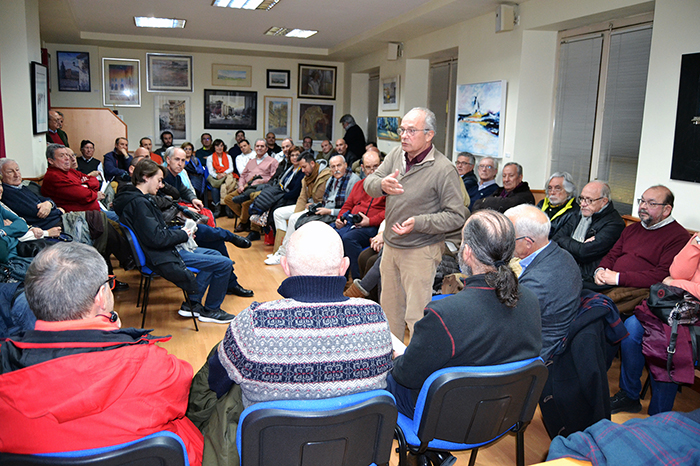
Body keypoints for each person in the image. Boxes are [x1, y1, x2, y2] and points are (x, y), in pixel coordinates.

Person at [187, 222, 393, 465]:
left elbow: (214, 383)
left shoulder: (255, 323)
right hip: (351, 452)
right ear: (344, 266)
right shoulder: (375, 317)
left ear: (285, 266)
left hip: (272, 454)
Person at [0, 242, 204, 466]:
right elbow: (183, 393)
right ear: (100, 297)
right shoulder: (153, 365)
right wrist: (119, 339)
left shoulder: (6, 364)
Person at [386, 210, 542, 418]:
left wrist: (396, 358)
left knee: (382, 377)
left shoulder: (444, 314)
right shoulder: (531, 300)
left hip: (447, 418)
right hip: (503, 413)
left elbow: (406, 376)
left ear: (467, 252)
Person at [363, 107, 467, 339]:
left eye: (411, 131)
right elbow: (370, 181)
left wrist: (419, 222)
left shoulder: (444, 169)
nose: (403, 135)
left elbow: (456, 216)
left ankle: (416, 371)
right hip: (391, 248)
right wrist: (381, 186)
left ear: (429, 135)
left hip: (421, 250)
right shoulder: (395, 155)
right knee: (389, 314)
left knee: (416, 318)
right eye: (402, 129)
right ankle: (390, 367)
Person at [114, 159, 237, 324]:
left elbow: (154, 233)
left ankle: (191, 304)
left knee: (214, 254)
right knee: (224, 263)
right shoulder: (139, 204)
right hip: (161, 255)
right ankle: (211, 310)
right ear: (145, 177)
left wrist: (180, 233)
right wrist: (183, 234)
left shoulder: (133, 199)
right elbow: (157, 238)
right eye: (158, 180)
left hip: (159, 251)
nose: (160, 185)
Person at [610, 232, 700, 416]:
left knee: (667, 342)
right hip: (678, 306)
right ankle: (629, 395)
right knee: (632, 328)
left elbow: (673, 279)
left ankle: (659, 414)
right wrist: (696, 244)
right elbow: (678, 272)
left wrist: (675, 283)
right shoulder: (697, 239)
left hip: (692, 317)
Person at [593, 185, 689, 313]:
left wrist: (619, 278)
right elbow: (612, 255)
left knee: (595, 309)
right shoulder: (632, 229)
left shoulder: (679, 236)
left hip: (638, 291)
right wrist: (600, 271)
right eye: (642, 201)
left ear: (666, 210)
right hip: (610, 284)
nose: (643, 206)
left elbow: (662, 274)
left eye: (651, 203)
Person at [505, 204, 581, 359]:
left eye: (508, 238)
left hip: (535, 353)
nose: (504, 243)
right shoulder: (563, 255)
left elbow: (507, 324)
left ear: (528, 242)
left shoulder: (536, 283)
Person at [265, 154, 358, 264]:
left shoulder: (352, 181)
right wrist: (316, 206)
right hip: (323, 210)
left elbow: (349, 209)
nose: (336, 169)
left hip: (336, 216)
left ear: (346, 165)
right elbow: (318, 199)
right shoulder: (331, 179)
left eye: (339, 166)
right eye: (333, 167)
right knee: (291, 217)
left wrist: (328, 211)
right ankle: (284, 253)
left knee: (295, 219)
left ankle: (286, 254)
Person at [552, 180, 625, 286]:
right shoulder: (578, 214)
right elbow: (556, 238)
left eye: (589, 200)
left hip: (587, 277)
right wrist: (577, 245)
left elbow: (584, 252)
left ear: (604, 201)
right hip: (565, 265)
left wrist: (567, 241)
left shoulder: (614, 224)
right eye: (581, 198)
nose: (583, 204)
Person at [332, 151, 385, 279]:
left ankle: (357, 280)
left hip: (371, 226)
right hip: (351, 222)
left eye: (375, 166)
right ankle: (334, 279)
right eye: (368, 167)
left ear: (382, 165)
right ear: (362, 168)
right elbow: (347, 205)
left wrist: (370, 221)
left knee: (348, 239)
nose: (372, 171)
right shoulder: (359, 185)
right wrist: (340, 218)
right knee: (330, 235)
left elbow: (390, 212)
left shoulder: (386, 186)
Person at [269, 152, 331, 257]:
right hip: (309, 206)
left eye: (304, 167)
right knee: (278, 213)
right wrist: (298, 212)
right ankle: (278, 250)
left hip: (320, 208)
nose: (302, 170)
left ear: (312, 163)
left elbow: (328, 198)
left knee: (293, 218)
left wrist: (311, 206)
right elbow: (302, 198)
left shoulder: (326, 175)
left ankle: (283, 254)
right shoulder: (306, 177)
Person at [41, 144, 105, 212]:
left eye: (67, 155)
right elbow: (83, 195)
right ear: (51, 161)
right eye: (62, 156)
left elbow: (94, 181)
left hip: (94, 211)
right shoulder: (54, 177)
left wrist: (85, 186)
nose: (67, 158)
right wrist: (95, 194)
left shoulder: (70, 171)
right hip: (80, 217)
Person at [538, 172, 579, 239]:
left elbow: (560, 238)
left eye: (558, 188)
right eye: (550, 188)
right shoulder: (541, 204)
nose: (552, 192)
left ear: (568, 192)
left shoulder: (574, 212)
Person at [206, 139, 235, 217]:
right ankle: (217, 209)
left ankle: (228, 208)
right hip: (216, 177)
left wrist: (224, 174)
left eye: (221, 146)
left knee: (227, 186)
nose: (219, 148)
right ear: (214, 147)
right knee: (215, 189)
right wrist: (217, 175)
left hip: (227, 176)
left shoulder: (228, 156)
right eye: (217, 146)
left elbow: (231, 168)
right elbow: (210, 171)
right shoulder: (210, 158)